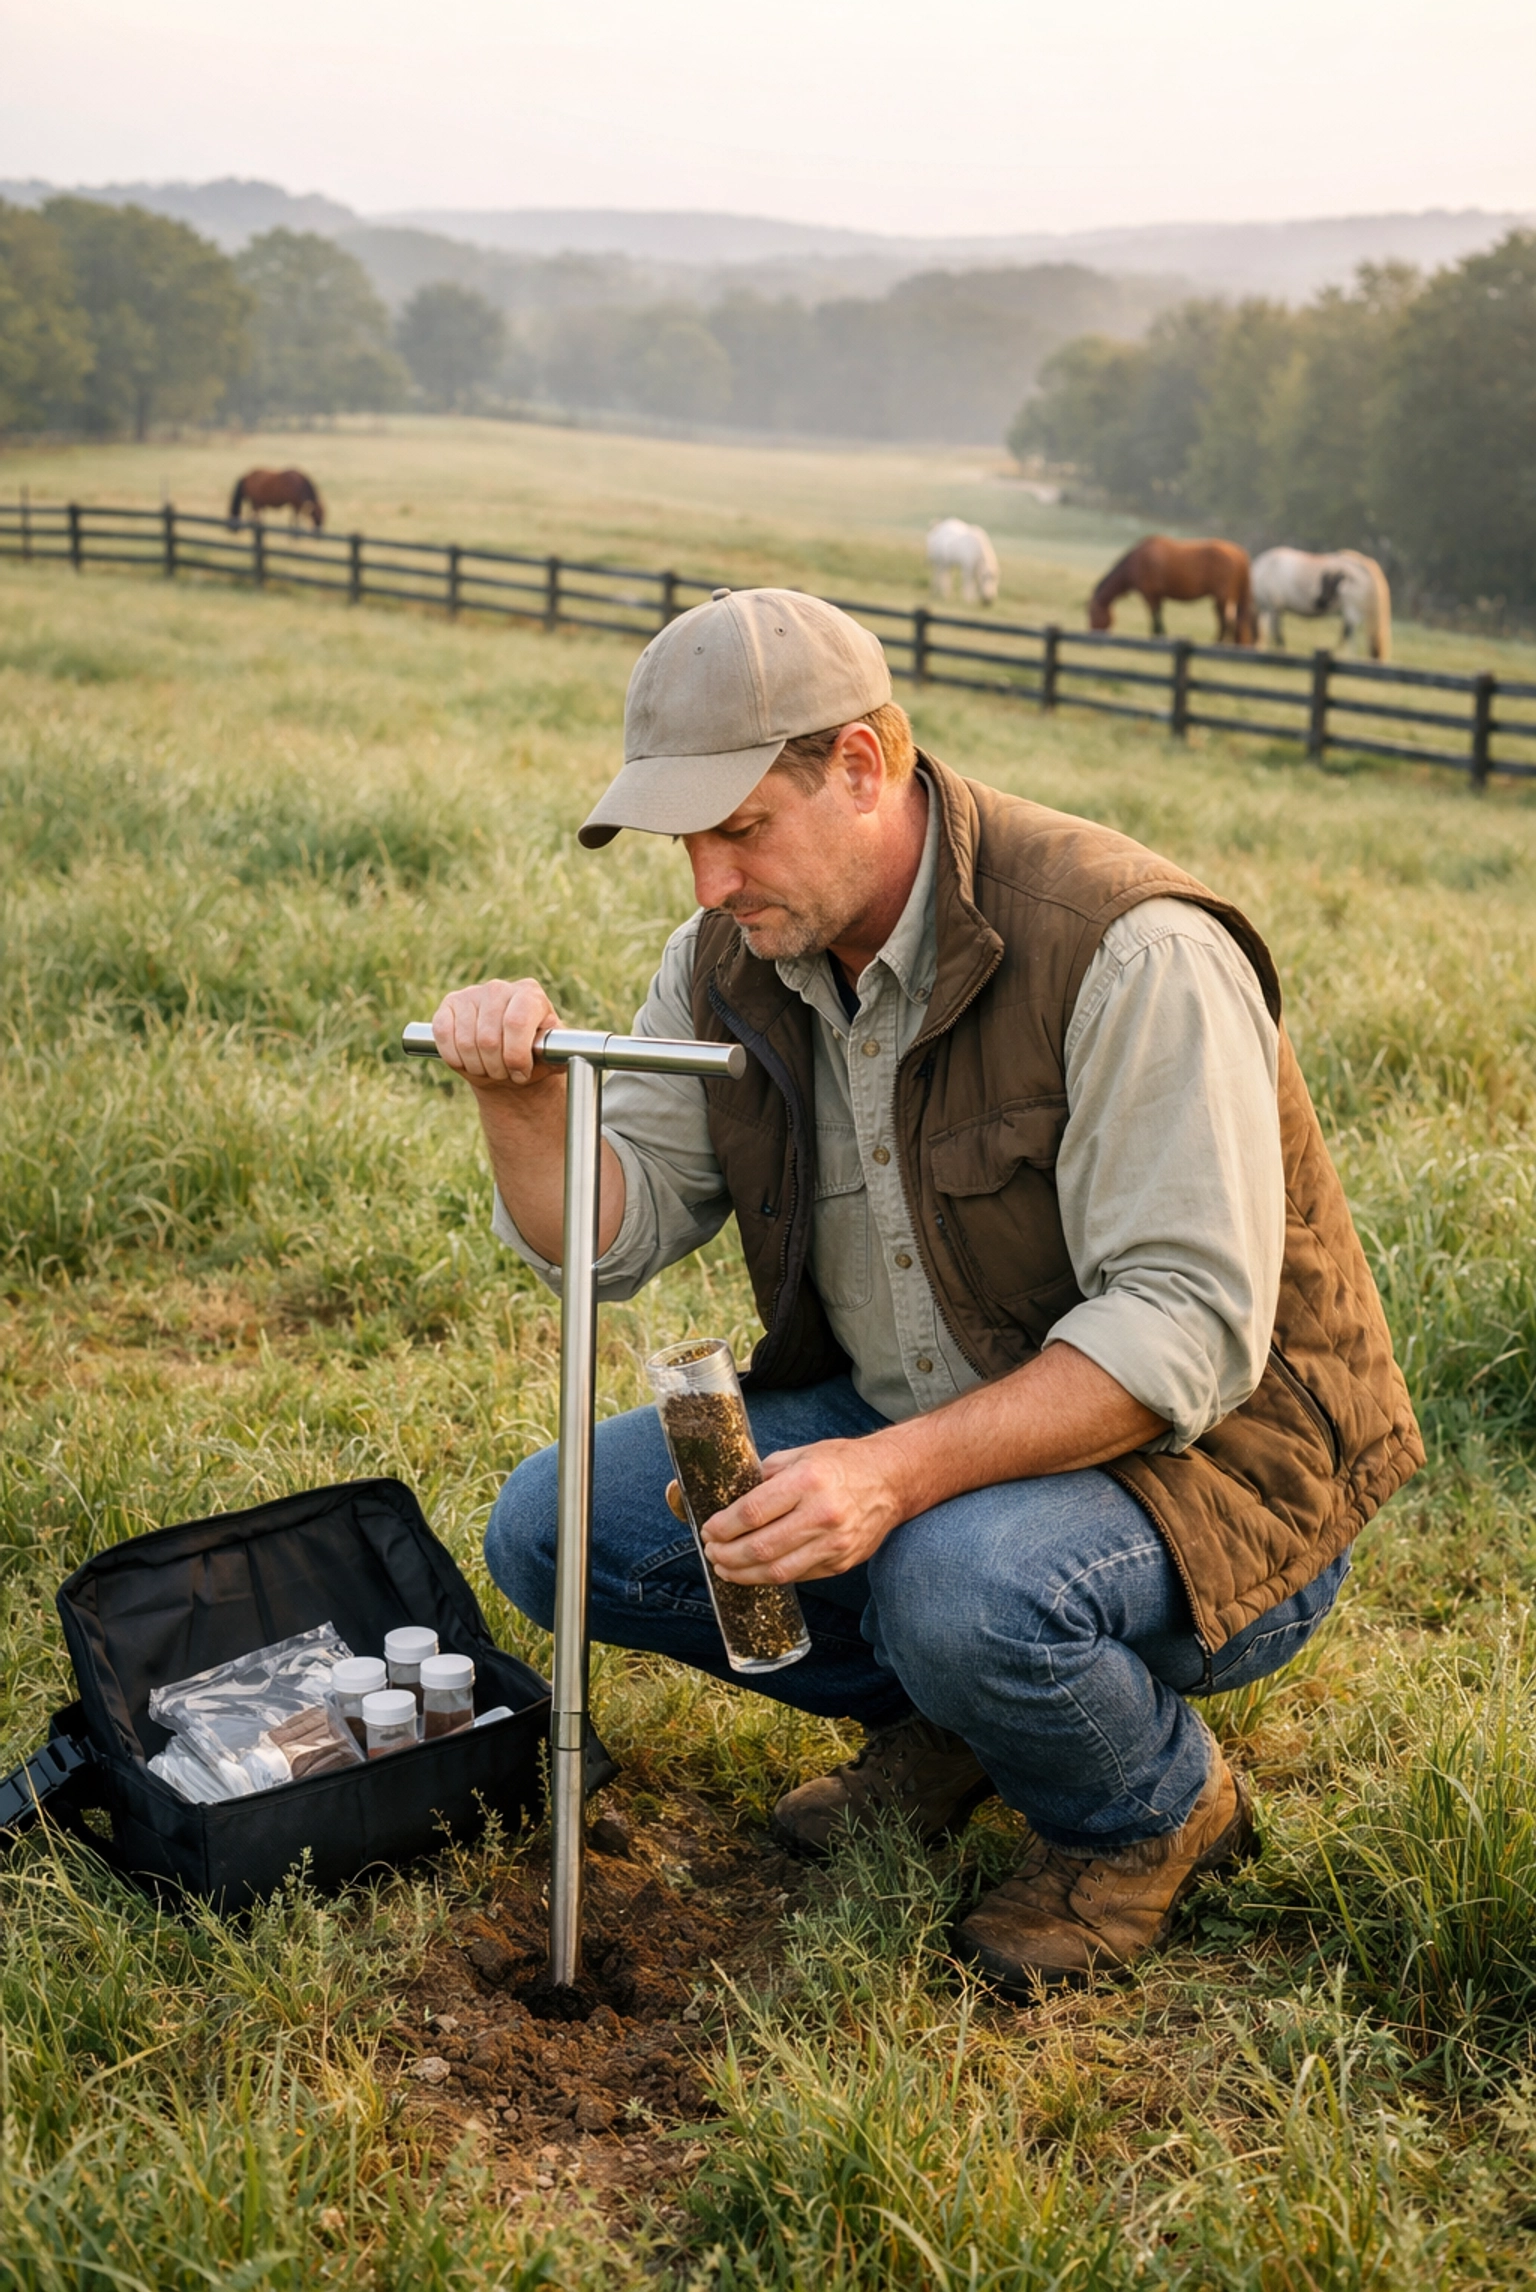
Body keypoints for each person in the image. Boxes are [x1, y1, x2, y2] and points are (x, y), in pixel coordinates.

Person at [431, 587, 1422, 1992]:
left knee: (955, 1579)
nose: (709, 882)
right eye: (684, 842)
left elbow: (1183, 1337)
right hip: (934, 1423)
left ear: (863, 762)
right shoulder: (731, 961)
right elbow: (612, 1238)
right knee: (557, 1532)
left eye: (741, 828)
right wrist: (518, 1100)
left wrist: (886, 1481)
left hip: (1218, 1475)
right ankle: (972, 1721)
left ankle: (1148, 1811)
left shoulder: (1129, 947)